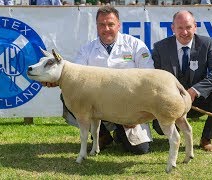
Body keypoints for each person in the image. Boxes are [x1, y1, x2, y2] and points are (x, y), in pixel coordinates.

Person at [42, 6, 154, 154]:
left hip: (128, 107)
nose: (106, 29)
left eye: (111, 24)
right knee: (68, 96)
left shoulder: (136, 46)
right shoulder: (87, 50)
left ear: (119, 25)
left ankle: (120, 131)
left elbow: (149, 78)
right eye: (102, 25)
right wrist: (56, 81)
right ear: (96, 26)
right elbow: (74, 78)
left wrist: (135, 113)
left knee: (140, 149)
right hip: (99, 107)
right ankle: (102, 135)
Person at [151, 10, 212, 152]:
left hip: (197, 101)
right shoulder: (159, 48)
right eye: (180, 28)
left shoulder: (206, 44)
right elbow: (155, 78)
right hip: (171, 101)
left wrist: (194, 91)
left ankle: (206, 138)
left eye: (188, 27)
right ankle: (175, 129)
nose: (184, 32)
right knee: (160, 129)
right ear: (172, 28)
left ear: (195, 27)